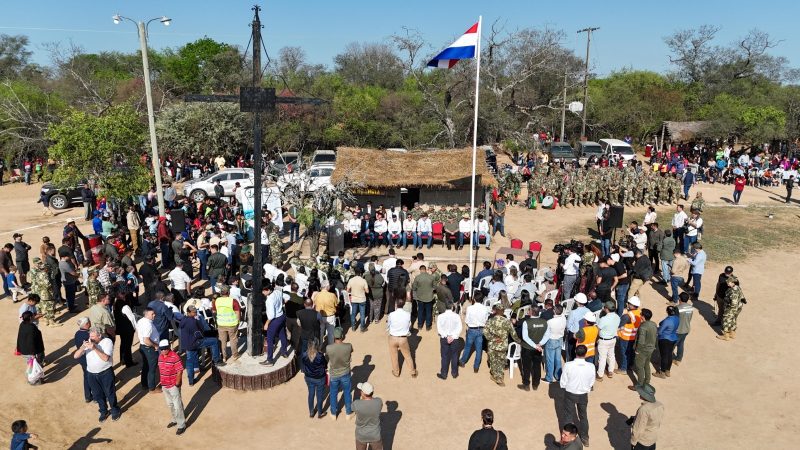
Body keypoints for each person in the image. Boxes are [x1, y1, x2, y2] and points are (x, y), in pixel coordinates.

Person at [73, 326, 120, 422]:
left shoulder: (107, 342)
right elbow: (76, 356)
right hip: (91, 374)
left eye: (93, 336)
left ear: (99, 335)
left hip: (105, 372)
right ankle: (103, 411)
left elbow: (106, 358)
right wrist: (83, 347)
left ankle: (115, 410)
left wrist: (94, 348)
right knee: (98, 395)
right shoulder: (88, 342)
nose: (91, 338)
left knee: (110, 393)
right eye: (90, 336)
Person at [560, 345, 595, 447]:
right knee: (583, 416)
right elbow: (591, 381)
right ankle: (585, 438)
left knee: (568, 416)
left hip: (570, 393)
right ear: (586, 353)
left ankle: (566, 440)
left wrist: (568, 387)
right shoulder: (591, 366)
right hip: (583, 394)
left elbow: (563, 382)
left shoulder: (568, 365)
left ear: (575, 352)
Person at [483, 304, 520, 386]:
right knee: (501, 361)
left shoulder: (490, 320)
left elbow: (485, 332)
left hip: (492, 345)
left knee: (493, 362)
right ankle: (499, 377)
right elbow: (513, 334)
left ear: (495, 311)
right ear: (503, 311)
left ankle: (495, 376)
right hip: (503, 346)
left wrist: (493, 339)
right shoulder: (507, 321)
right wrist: (519, 341)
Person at [157, 339, 186, 435]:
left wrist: (177, 383)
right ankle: (175, 419)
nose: (164, 350)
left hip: (173, 385)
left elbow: (180, 370)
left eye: (165, 348)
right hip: (164, 385)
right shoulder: (160, 356)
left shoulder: (175, 357)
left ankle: (181, 425)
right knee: (170, 404)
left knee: (177, 406)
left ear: (169, 347)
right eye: (162, 349)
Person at [326, 327, 354, 420]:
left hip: (334, 375)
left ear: (334, 336)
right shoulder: (348, 346)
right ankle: (348, 413)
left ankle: (333, 413)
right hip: (345, 373)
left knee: (333, 393)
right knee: (347, 392)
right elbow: (351, 353)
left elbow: (327, 358)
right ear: (342, 336)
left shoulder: (329, 348)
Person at [518, 305, 546, 391]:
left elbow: (525, 337)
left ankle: (526, 384)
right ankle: (535, 384)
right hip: (538, 349)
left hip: (527, 348)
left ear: (532, 312)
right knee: (537, 366)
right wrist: (539, 344)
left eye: (529, 310)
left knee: (526, 367)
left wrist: (535, 345)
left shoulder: (526, 322)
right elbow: (547, 335)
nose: (528, 311)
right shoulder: (544, 322)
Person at [386, 298, 416, 378]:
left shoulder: (391, 314)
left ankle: (396, 373)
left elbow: (388, 325)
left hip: (392, 337)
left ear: (396, 305)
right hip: (403, 338)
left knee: (394, 356)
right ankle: (412, 371)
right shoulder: (407, 314)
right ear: (403, 305)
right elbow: (409, 325)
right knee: (408, 355)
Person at [261, 280, 289, 366]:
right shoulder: (277, 291)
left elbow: (271, 315)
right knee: (282, 334)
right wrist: (282, 304)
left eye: (264, 290)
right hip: (282, 316)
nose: (262, 292)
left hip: (275, 320)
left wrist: (266, 324)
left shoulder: (269, 300)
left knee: (269, 339)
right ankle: (284, 352)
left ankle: (270, 360)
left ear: (268, 290)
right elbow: (288, 297)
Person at [459, 295, 489, 373]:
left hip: (472, 329)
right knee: (479, 349)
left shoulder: (470, 308)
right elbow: (486, 320)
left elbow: (467, 320)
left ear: (474, 299)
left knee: (467, 347)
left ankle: (462, 362)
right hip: (481, 330)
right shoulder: (485, 308)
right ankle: (476, 367)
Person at [628, 385, 664, 450]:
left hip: (642, 442)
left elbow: (638, 429)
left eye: (640, 392)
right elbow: (654, 419)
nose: (639, 393)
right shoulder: (660, 405)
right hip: (653, 439)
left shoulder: (644, 409)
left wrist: (633, 442)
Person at [629, 309, 657, 391]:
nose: (640, 315)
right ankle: (647, 381)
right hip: (650, 348)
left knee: (639, 366)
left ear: (643, 317)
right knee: (646, 364)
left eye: (641, 314)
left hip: (643, 350)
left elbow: (641, 340)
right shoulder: (653, 324)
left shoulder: (643, 327)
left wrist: (637, 350)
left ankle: (639, 385)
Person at [136, 307, 161, 393]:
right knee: (152, 369)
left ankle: (144, 384)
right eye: (152, 314)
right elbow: (146, 340)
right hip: (150, 349)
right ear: (146, 315)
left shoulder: (141, 321)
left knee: (146, 366)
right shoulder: (148, 325)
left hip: (143, 347)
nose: (154, 315)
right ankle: (152, 388)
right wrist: (155, 345)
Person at [436, 300, 463, 380]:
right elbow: (460, 327)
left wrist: (446, 336)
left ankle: (444, 374)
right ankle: (454, 373)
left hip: (444, 338)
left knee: (444, 356)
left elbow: (439, 328)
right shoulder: (457, 316)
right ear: (452, 307)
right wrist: (453, 336)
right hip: (454, 339)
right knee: (454, 355)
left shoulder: (440, 316)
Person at [213, 285, 241, 362]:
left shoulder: (217, 300)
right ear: (228, 292)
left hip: (221, 323)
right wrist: (238, 321)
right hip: (232, 324)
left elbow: (214, 311)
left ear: (221, 293)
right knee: (233, 340)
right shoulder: (233, 301)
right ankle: (235, 355)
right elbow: (237, 312)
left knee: (223, 341)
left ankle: (224, 357)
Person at [352, 382, 383, 450]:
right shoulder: (379, 402)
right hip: (375, 434)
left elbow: (352, 408)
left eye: (361, 390)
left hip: (361, 435)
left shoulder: (357, 403)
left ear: (363, 393)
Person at [540, 304, 567, 383]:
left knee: (550, 360)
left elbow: (546, 333)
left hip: (551, 340)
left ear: (555, 311)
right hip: (560, 340)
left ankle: (549, 378)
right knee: (558, 359)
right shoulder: (564, 318)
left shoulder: (550, 322)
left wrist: (541, 343)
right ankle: (558, 376)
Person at [16, 311, 45, 385]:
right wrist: (33, 353)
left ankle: (33, 379)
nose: (33, 317)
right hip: (32, 351)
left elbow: (19, 337)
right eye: (32, 316)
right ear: (30, 318)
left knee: (30, 365)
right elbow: (31, 341)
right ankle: (36, 380)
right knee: (35, 366)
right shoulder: (31, 327)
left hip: (24, 350)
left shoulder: (22, 324)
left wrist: (18, 347)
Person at [302, 338, 328, 418]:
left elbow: (303, 364)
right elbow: (325, 365)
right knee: (319, 395)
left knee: (311, 394)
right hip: (320, 378)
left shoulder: (304, 355)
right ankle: (320, 413)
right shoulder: (320, 356)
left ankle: (311, 412)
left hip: (309, 378)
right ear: (317, 346)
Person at [596, 301, 620, 381]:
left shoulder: (604, 319)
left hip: (604, 341)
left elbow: (598, 329)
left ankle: (600, 375)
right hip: (613, 339)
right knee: (611, 356)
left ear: (607, 309)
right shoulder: (617, 317)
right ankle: (610, 371)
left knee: (602, 358)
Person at [654, 306, 679, 379]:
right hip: (673, 338)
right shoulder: (677, 318)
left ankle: (662, 373)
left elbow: (660, 331)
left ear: (667, 312)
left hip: (665, 339)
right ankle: (668, 371)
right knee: (669, 355)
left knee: (664, 356)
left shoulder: (667, 321)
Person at [74, 317, 93, 402]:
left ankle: (88, 396)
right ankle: (96, 396)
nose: (90, 322)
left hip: (81, 359)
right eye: (89, 322)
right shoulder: (88, 335)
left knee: (86, 376)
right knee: (93, 378)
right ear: (86, 324)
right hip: (88, 359)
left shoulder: (77, 333)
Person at [412, 265, 437, 331]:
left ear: (420, 270)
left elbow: (414, 288)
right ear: (425, 269)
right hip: (429, 297)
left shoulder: (417, 277)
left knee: (420, 311)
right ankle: (428, 326)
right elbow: (435, 287)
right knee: (429, 312)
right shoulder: (431, 277)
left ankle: (420, 325)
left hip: (420, 297)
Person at [673, 292, 694, 365]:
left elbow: (674, 320)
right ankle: (678, 359)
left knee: (672, 345)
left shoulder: (677, 308)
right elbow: (690, 318)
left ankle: (668, 359)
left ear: (679, 298)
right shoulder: (690, 307)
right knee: (681, 344)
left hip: (678, 330)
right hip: (686, 329)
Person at [347, 268, 369, 332]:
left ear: (355, 273)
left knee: (353, 314)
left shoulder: (351, 280)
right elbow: (367, 291)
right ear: (360, 273)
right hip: (362, 299)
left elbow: (348, 290)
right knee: (362, 314)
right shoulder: (363, 280)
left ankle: (353, 327)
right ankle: (362, 327)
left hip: (354, 299)